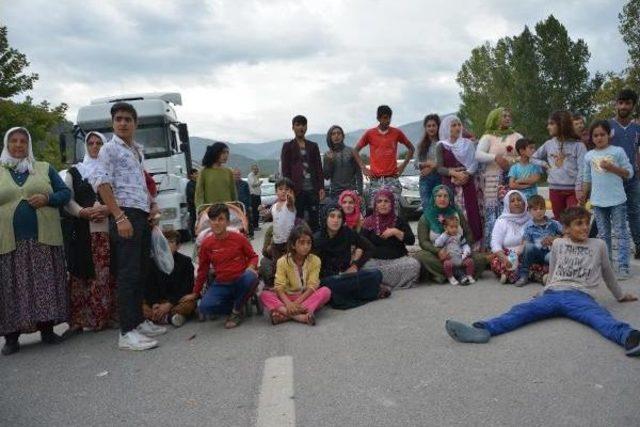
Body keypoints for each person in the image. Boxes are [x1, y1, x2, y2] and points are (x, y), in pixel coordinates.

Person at [444, 207, 640, 359]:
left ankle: (630, 338)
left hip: (580, 296)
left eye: (586, 223)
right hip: (553, 294)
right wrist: (545, 291)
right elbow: (553, 271)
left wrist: (620, 295)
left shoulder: (598, 245)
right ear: (566, 228)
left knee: (600, 318)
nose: (584, 227)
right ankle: (482, 329)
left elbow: (607, 273)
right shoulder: (558, 244)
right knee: (520, 311)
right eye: (578, 224)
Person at [92, 102, 166, 351]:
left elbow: (142, 183)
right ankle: (126, 332)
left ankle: (138, 321)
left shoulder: (136, 150)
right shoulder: (109, 150)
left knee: (141, 271)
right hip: (124, 214)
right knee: (127, 273)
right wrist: (119, 216)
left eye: (127, 119)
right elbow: (102, 183)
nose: (123, 123)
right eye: (118, 119)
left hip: (141, 213)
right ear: (113, 123)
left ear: (136, 124)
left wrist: (152, 205)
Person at [0, 127, 71, 355]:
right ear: (7, 144)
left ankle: (47, 330)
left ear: (28, 145)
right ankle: (11, 338)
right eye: (14, 141)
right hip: (8, 243)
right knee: (11, 289)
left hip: (43, 240)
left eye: (23, 141)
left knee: (44, 285)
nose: (19, 145)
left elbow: (65, 194)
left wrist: (48, 198)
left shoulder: (43, 168)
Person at [62, 131, 116, 338]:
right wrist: (82, 212)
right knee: (82, 273)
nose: (95, 146)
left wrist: (107, 209)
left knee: (106, 273)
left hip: (107, 231)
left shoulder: (111, 170)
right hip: (84, 231)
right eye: (91, 143)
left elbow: (120, 196)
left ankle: (106, 316)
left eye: (99, 143)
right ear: (85, 146)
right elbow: (68, 199)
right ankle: (82, 320)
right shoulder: (75, 172)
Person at [182, 204, 259, 329]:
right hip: (222, 283)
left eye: (220, 219)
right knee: (205, 307)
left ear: (227, 222)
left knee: (251, 277)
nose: (216, 223)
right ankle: (237, 304)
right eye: (213, 220)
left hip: (240, 280)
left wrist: (251, 266)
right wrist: (195, 293)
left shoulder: (239, 238)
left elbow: (253, 256)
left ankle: (236, 312)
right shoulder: (206, 244)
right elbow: (202, 270)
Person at [580, 120, 634, 279]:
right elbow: (586, 177)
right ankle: (607, 266)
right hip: (597, 201)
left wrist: (612, 168)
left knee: (621, 233)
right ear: (591, 137)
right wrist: (583, 196)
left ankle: (623, 266)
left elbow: (629, 173)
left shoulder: (618, 151)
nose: (599, 138)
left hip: (617, 200)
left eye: (602, 134)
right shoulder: (589, 155)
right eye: (595, 135)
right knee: (603, 235)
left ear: (609, 135)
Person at [313, 204, 388, 310]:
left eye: (339, 217)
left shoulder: (347, 233)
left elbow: (370, 248)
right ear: (325, 218)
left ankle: (353, 291)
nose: (336, 220)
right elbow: (314, 269)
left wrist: (355, 265)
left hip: (347, 275)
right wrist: (337, 274)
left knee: (376, 274)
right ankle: (373, 290)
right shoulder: (317, 239)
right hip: (328, 279)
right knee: (331, 285)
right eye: (332, 216)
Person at [412, 185, 487, 284]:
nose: (442, 199)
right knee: (421, 256)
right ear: (433, 198)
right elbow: (423, 242)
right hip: (439, 255)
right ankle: (460, 273)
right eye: (439, 196)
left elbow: (468, 234)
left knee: (481, 259)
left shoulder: (457, 213)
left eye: (445, 196)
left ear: (450, 198)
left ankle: (447, 274)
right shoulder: (425, 217)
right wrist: (438, 251)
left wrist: (464, 249)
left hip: (458, 252)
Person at [260, 225, 331, 325]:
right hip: (286, 297)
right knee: (264, 295)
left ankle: (284, 316)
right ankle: (302, 317)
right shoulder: (282, 261)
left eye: (308, 243)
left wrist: (295, 304)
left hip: (305, 296)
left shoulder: (315, 260)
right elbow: (279, 286)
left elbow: (312, 286)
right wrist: (289, 303)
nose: (306, 246)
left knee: (326, 291)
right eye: (301, 243)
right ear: (293, 245)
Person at [475, 108, 523, 250]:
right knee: (493, 212)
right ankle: (493, 249)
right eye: (504, 116)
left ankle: (513, 246)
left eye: (509, 116)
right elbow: (478, 155)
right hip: (492, 180)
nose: (508, 118)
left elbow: (526, 153)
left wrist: (512, 161)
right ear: (495, 118)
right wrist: (495, 157)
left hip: (512, 178)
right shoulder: (488, 136)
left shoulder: (517, 136)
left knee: (512, 210)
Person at [353, 105, 415, 211]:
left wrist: (402, 166)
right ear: (378, 118)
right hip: (376, 180)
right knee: (376, 210)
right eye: (385, 118)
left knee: (393, 210)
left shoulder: (397, 133)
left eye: (389, 118)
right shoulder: (370, 134)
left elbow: (411, 148)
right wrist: (364, 168)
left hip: (392, 179)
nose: (387, 121)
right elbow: (355, 151)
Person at [361, 188, 421, 289]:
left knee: (414, 265)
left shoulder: (399, 221)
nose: (383, 204)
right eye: (379, 201)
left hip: (398, 261)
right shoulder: (368, 222)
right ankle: (391, 283)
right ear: (375, 204)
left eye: (386, 201)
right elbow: (361, 243)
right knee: (365, 268)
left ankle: (380, 284)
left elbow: (411, 241)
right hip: (376, 262)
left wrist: (396, 232)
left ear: (392, 204)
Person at [436, 115, 482, 243]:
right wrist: (454, 174)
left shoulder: (468, 144)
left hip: (467, 183)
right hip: (450, 185)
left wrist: (466, 174)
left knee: (470, 212)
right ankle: (453, 243)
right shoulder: (441, 146)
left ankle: (473, 244)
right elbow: (439, 168)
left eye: (459, 125)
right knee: (453, 214)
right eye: (453, 125)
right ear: (446, 128)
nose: (457, 127)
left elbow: (474, 163)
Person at [532, 110, 586, 220]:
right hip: (555, 189)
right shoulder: (548, 144)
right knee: (559, 221)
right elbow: (533, 158)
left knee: (574, 219)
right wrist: (545, 164)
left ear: (562, 124)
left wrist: (579, 189)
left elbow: (583, 169)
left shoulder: (578, 145)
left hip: (573, 190)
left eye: (551, 124)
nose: (548, 127)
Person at [608, 89, 640, 259]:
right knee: (605, 212)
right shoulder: (607, 126)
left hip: (632, 179)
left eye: (627, 103)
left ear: (633, 106)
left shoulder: (637, 128)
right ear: (616, 104)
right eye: (620, 102)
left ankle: (638, 245)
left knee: (635, 212)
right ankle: (592, 244)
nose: (623, 106)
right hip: (611, 179)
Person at [143, 230, 195, 327]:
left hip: (176, 300)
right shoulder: (152, 262)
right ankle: (168, 317)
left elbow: (187, 287)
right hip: (158, 299)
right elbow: (149, 286)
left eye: (171, 242)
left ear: (178, 245)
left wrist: (170, 304)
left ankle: (160, 317)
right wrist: (154, 303)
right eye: (164, 242)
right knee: (139, 304)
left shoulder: (185, 262)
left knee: (189, 304)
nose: (166, 245)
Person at [280, 115, 324, 231]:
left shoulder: (313, 146)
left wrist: (321, 188)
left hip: (312, 190)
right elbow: (285, 170)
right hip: (296, 190)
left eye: (303, 125)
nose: (301, 127)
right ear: (293, 127)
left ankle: (314, 245)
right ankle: (298, 246)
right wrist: (288, 190)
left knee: (314, 220)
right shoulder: (288, 146)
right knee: (297, 220)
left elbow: (318, 168)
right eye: (298, 125)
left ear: (306, 127)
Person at [514, 195, 563, 287]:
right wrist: (517, 252)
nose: (539, 211)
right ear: (529, 211)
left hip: (550, 253)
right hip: (536, 254)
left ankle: (554, 277)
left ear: (545, 209)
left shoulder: (553, 223)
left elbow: (566, 234)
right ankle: (524, 275)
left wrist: (555, 239)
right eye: (535, 209)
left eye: (541, 208)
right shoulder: (528, 226)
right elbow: (525, 242)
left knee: (554, 256)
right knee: (528, 246)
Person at [490, 190, 530, 285]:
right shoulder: (501, 221)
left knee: (531, 258)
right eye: (512, 201)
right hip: (507, 254)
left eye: (519, 200)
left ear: (525, 203)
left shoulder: (531, 219)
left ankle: (508, 275)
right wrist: (504, 258)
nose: (516, 203)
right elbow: (495, 243)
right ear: (507, 204)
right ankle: (522, 274)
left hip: (524, 254)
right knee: (495, 261)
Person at [323, 125, 363, 202]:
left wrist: (360, 193)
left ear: (343, 136)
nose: (336, 136)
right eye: (333, 134)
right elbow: (326, 176)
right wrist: (329, 161)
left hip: (351, 193)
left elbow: (358, 173)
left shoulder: (352, 151)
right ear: (330, 137)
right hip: (335, 194)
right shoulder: (327, 154)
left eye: (339, 133)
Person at [434, 216, 475, 286]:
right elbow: (437, 244)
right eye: (451, 227)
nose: (454, 229)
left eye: (456, 227)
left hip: (460, 257)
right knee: (447, 264)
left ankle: (469, 275)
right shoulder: (444, 237)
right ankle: (450, 277)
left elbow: (465, 245)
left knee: (470, 261)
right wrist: (445, 234)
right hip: (450, 258)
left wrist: (466, 251)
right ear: (446, 228)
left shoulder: (459, 236)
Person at [195, 142, 236, 210]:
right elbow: (199, 194)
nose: (226, 155)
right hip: (210, 212)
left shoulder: (228, 171)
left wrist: (236, 208)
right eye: (223, 152)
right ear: (215, 153)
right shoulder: (204, 172)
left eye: (227, 152)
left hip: (228, 210)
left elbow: (233, 192)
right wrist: (200, 210)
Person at [416, 114, 441, 213]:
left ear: (438, 126)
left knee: (441, 208)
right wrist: (428, 163)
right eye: (429, 126)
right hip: (425, 180)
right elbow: (416, 164)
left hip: (440, 178)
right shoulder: (420, 144)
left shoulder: (442, 143)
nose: (431, 128)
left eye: (434, 125)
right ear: (425, 128)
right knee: (427, 208)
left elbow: (445, 162)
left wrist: (432, 167)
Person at [269, 177, 298, 264]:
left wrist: (290, 198)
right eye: (280, 189)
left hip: (288, 242)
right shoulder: (274, 206)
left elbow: (291, 201)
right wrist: (262, 211)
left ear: (291, 192)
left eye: (287, 189)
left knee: (289, 264)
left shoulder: (289, 204)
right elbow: (273, 221)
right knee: (277, 264)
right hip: (276, 242)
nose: (283, 191)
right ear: (276, 191)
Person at [233, 168, 252, 238]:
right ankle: (240, 235)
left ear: (240, 175)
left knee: (247, 219)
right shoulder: (231, 184)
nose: (237, 176)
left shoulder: (245, 184)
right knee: (238, 221)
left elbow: (248, 195)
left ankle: (250, 234)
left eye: (238, 174)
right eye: (235, 174)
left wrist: (249, 205)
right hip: (235, 206)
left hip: (245, 205)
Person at [247, 164, 262, 231]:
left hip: (257, 196)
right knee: (255, 211)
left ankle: (256, 225)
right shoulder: (251, 175)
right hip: (254, 196)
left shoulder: (255, 176)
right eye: (255, 169)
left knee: (258, 210)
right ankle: (255, 226)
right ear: (252, 169)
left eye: (257, 169)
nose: (257, 170)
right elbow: (253, 184)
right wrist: (259, 183)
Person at [186, 168, 198, 240]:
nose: (197, 175)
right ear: (191, 175)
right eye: (196, 173)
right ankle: (193, 236)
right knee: (193, 220)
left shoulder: (197, 183)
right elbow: (191, 195)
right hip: (193, 206)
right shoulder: (190, 184)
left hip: (197, 205)